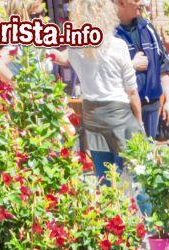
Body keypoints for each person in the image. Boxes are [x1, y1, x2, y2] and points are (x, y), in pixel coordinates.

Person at [63, 0, 144, 180]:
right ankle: (144, 209)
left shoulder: (74, 47)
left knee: (104, 179)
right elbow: (132, 93)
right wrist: (140, 125)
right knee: (138, 176)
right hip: (119, 115)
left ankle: (111, 207)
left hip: (92, 114)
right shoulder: (117, 45)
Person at [115, 0, 169, 140]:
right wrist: (131, 65)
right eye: (136, 0)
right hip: (124, 110)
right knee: (128, 159)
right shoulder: (110, 34)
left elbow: (164, 65)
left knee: (149, 157)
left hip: (152, 107)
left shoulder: (147, 27)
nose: (142, 3)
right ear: (121, 3)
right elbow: (104, 71)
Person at [0, 0, 58, 85]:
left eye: (42, 13)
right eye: (34, 16)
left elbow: (63, 58)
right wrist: (19, 87)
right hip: (28, 97)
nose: (41, 19)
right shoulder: (16, 45)